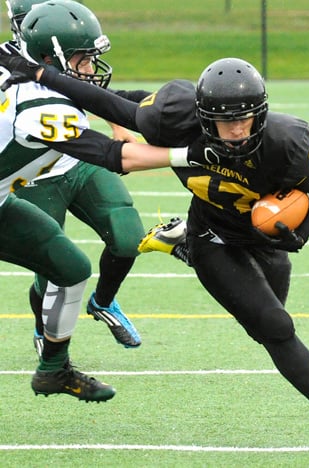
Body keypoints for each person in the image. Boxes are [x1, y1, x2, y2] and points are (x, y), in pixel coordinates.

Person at [4, 53, 309, 456]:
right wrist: (40, 74)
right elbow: (112, 106)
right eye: (226, 122)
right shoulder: (174, 121)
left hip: (262, 239)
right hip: (215, 239)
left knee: (264, 326)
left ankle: (178, 244)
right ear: (204, 118)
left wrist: (300, 234)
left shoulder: (287, 140)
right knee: (275, 327)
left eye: (245, 119)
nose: (237, 131)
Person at [0, 0, 209, 403]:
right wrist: (190, 154)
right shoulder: (40, 107)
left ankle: (53, 370)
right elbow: (116, 156)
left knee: (71, 268)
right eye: (83, 59)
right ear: (48, 57)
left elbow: (111, 104)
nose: (91, 69)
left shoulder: (25, 72)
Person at [4, 0, 146, 356]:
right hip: (33, 176)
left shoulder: (53, 62)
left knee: (128, 237)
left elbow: (89, 92)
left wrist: (118, 122)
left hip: (77, 161)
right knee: (54, 267)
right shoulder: (16, 72)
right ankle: (45, 329)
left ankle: (104, 302)